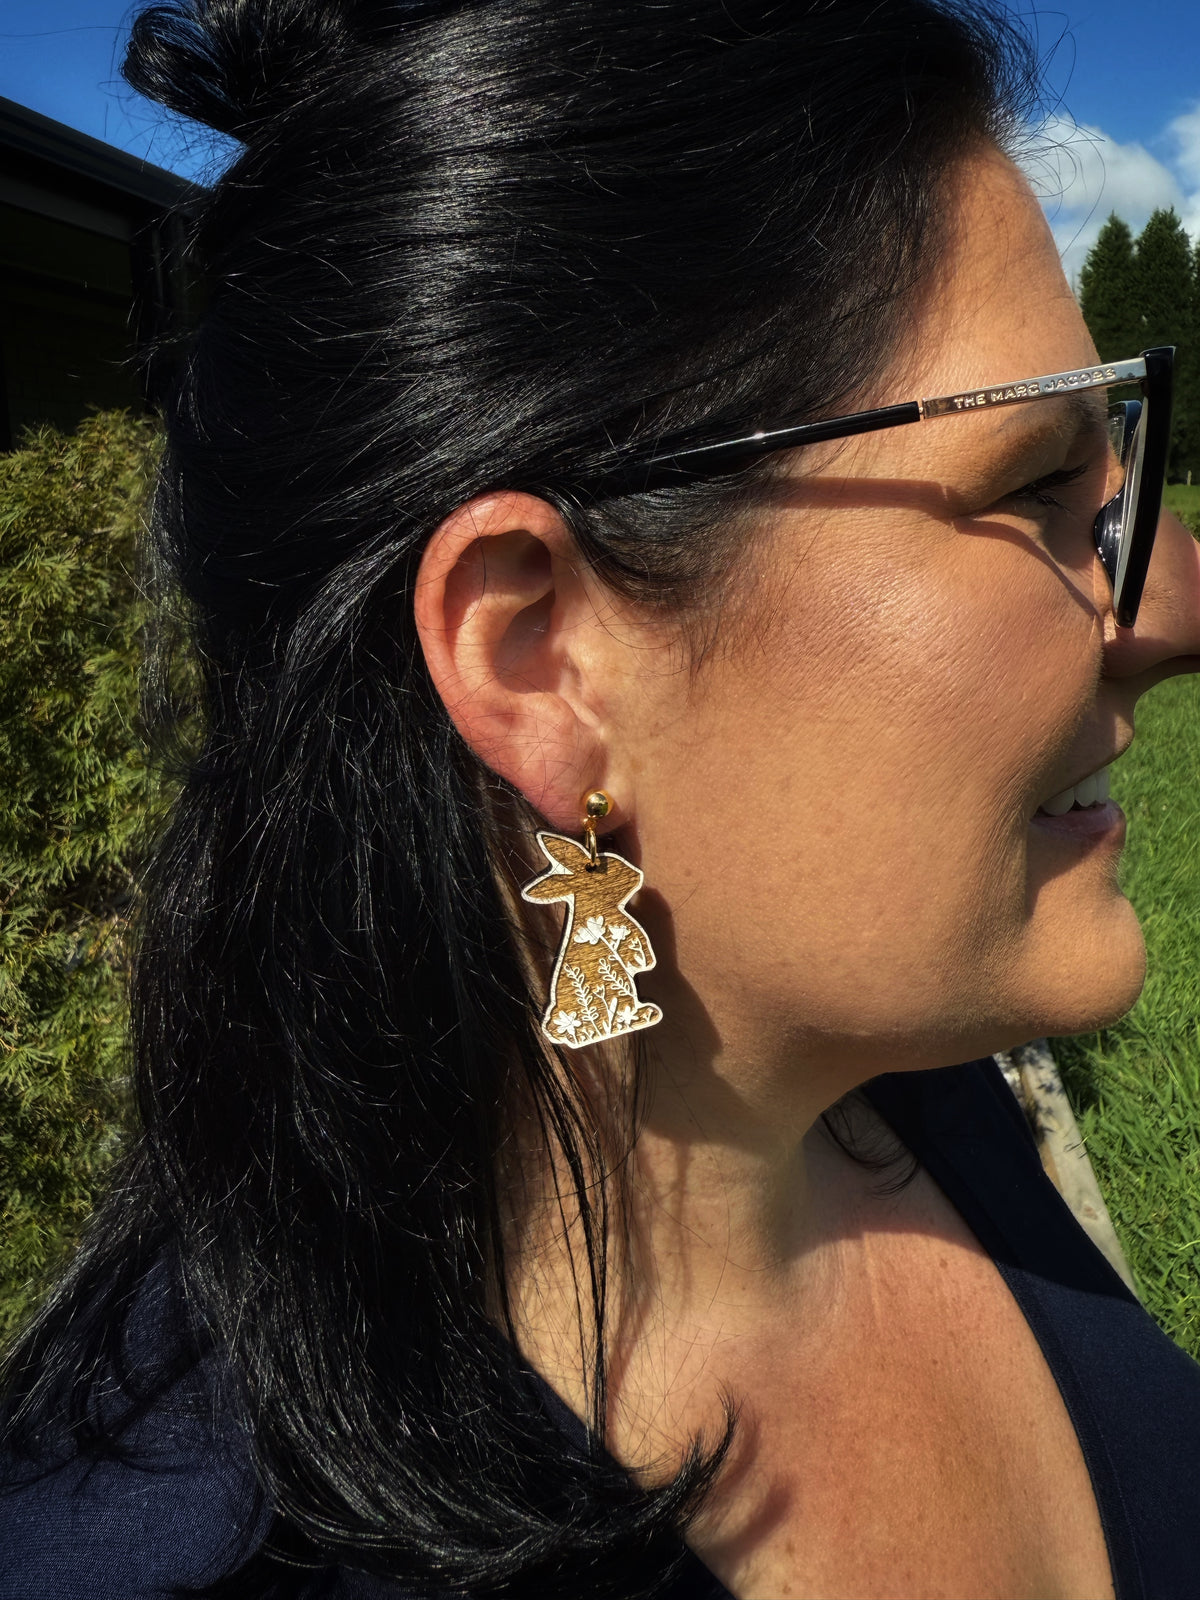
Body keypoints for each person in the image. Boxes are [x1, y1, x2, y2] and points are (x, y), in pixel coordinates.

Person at [3, 0, 1200, 1596]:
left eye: (1117, 466)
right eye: (1039, 486)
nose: (1175, 606)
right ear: (544, 656)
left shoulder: (910, 1083)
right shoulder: (182, 1562)